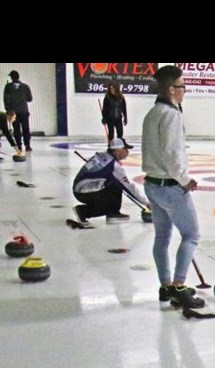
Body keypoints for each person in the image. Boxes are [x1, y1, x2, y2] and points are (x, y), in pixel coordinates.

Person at [141, 65, 205, 310]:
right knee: (191, 235)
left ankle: (165, 285)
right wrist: (184, 179)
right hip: (170, 186)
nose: (185, 90)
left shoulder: (153, 113)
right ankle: (179, 287)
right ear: (171, 89)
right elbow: (172, 154)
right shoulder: (172, 115)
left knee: (163, 237)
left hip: (152, 184)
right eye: (182, 86)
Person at [72, 137, 149, 223]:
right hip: (84, 192)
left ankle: (113, 213)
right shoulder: (113, 166)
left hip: (80, 188)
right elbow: (129, 187)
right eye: (125, 148)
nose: (128, 151)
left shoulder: (103, 155)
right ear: (117, 150)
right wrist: (147, 203)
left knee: (115, 184)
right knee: (111, 199)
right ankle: (82, 211)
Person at [3, 70, 33, 153]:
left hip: (13, 112)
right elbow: (30, 99)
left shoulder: (8, 87)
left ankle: (19, 146)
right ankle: (28, 146)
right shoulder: (25, 86)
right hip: (24, 111)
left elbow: (5, 99)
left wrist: (7, 109)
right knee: (26, 128)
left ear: (11, 77)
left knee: (16, 130)